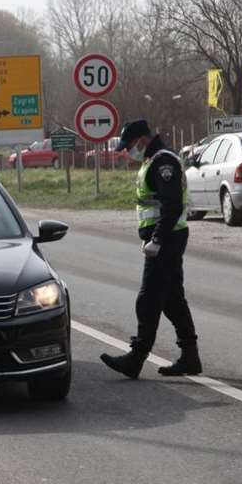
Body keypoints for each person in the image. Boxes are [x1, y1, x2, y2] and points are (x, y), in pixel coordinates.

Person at [100, 119, 203, 379]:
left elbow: (172, 205)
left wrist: (156, 239)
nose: (128, 151)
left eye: (130, 146)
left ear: (142, 141)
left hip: (166, 240)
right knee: (171, 299)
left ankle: (136, 358)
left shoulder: (162, 162)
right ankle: (190, 357)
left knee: (148, 299)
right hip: (166, 239)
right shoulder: (152, 160)